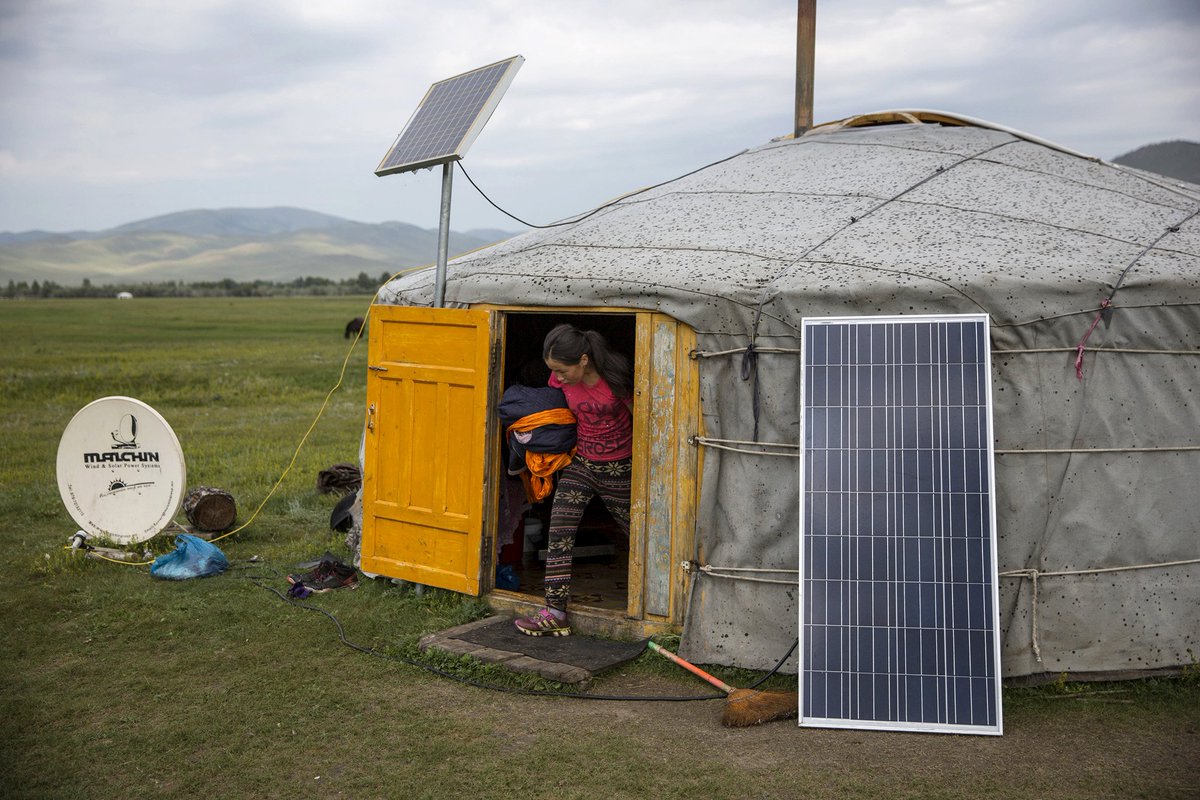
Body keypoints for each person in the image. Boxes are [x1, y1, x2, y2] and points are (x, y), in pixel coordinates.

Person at [513, 323, 633, 636]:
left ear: (583, 360)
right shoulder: (559, 379)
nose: (557, 378)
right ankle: (555, 611)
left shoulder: (615, 380)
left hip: (620, 468)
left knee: (640, 534)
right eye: (553, 370)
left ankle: (661, 608)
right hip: (582, 465)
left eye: (562, 370)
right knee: (559, 531)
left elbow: (646, 417)